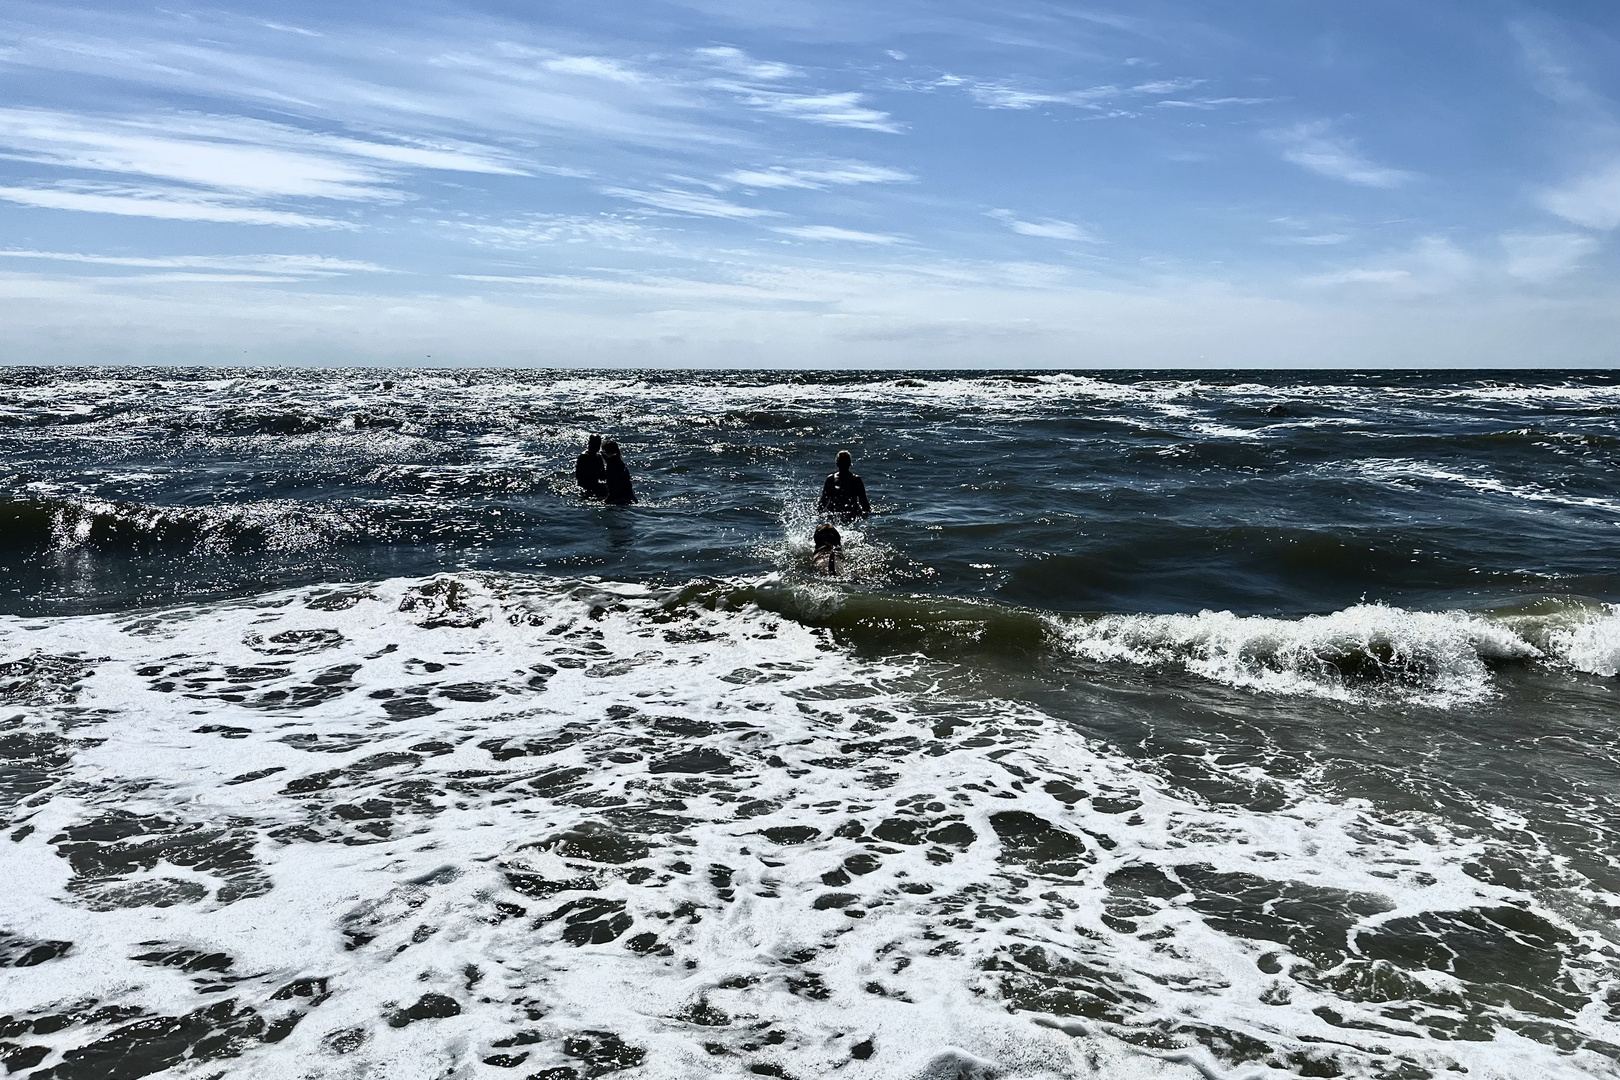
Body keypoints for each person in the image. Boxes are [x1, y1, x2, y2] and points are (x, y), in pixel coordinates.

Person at [817, 450, 870, 519]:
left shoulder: (855, 480)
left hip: (850, 515)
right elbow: (823, 500)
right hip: (836, 515)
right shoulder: (831, 479)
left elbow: (863, 501)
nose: (843, 465)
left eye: (845, 462)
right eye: (842, 462)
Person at [602, 439, 636, 504]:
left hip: (619, 499)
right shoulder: (621, 464)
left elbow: (613, 488)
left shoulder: (611, 465)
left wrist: (605, 502)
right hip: (630, 498)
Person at [575, 435, 608, 499]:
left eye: (598, 444)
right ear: (589, 444)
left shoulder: (599, 457)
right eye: (594, 444)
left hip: (595, 485)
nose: (596, 446)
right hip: (585, 486)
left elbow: (602, 476)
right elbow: (578, 476)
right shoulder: (584, 457)